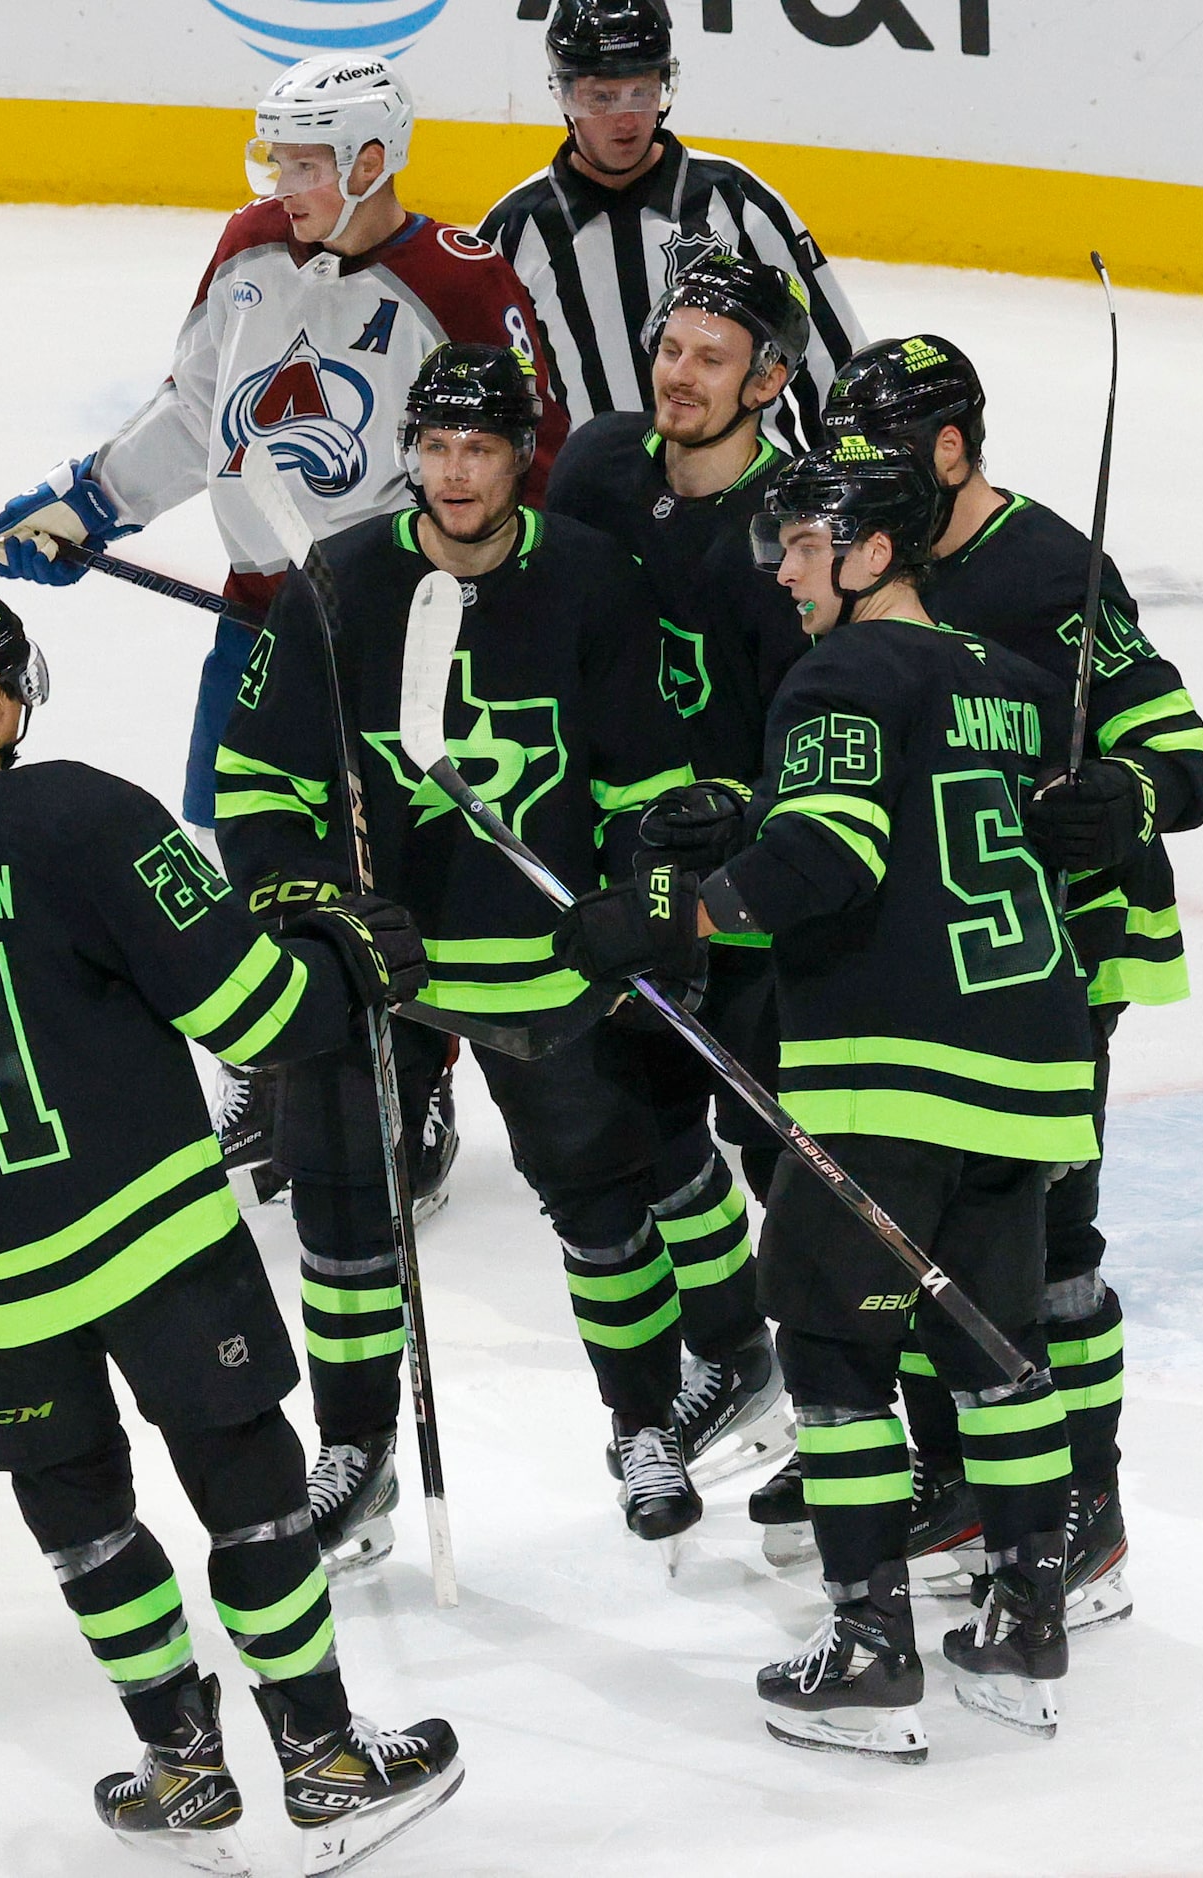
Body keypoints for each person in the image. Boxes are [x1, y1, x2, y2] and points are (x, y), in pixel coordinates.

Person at [0, 590, 458, 1873]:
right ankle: (323, 1757)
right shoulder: (86, 814)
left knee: (81, 1521)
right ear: (5, 700)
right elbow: (256, 1014)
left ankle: (181, 1769)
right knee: (246, 1492)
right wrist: (348, 962)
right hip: (152, 1241)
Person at [558, 437, 1093, 1759]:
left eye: (802, 545)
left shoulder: (841, 669)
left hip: (891, 1069)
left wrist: (670, 916)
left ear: (868, 554)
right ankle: (1029, 1618)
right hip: (1028, 1062)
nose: (783, 570)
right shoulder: (1012, 683)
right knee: (999, 1346)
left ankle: (867, 1641)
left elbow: (829, 854)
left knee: (835, 1350)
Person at [216, 341, 775, 1562]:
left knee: (602, 1203)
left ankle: (640, 1421)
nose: (453, 474)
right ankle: (355, 1451)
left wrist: (647, 902)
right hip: (377, 974)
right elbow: (253, 785)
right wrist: (308, 898)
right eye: (433, 447)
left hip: (547, 964)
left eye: (478, 449)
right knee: (349, 1217)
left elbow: (652, 790)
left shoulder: (591, 580)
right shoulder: (339, 584)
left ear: (525, 459)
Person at [0, 50, 570, 1203]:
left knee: (394, 855)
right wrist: (90, 501)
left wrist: (490, 609)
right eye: (277, 156)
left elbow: (523, 462)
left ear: (368, 160)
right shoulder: (250, 245)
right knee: (238, 838)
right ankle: (271, 1049)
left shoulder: (461, 284)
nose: (281, 179)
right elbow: (197, 402)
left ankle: (423, 1069)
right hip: (260, 619)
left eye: (304, 160)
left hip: (411, 627)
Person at [744, 332, 1203, 1628]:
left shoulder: (1050, 569)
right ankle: (953, 1473)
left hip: (1058, 956)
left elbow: (1179, 754)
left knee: (1047, 1250)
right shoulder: (855, 581)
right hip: (926, 967)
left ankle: (1086, 1505)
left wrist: (1121, 798)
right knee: (927, 1246)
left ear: (951, 450)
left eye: (889, 457)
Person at [547, 250, 818, 1460]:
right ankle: (735, 1353)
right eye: (671, 348)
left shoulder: (797, 528)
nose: (681, 376)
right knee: (646, 1129)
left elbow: (826, 728)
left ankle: (841, 1419)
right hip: (618, 869)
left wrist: (748, 814)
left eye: (714, 358)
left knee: (789, 1164)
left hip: (746, 895)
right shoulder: (601, 462)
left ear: (769, 378)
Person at [480, 0, 863, 450]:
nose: (625, 120)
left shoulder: (737, 201)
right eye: (602, 97)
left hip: (746, 498)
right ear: (566, 97)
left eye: (640, 92)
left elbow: (832, 363)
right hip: (595, 504)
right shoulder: (513, 231)